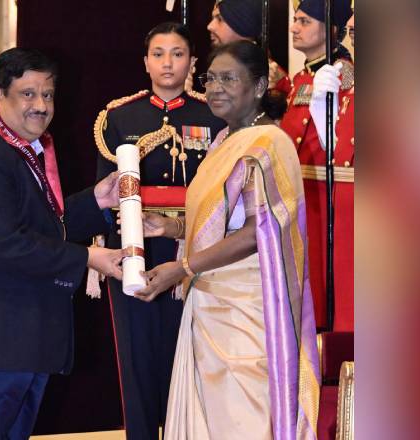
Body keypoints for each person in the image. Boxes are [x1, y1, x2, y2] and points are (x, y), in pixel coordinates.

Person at [0, 47, 124, 440]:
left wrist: (97, 200)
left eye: (47, 94)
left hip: (21, 340)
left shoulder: (19, 150)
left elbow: (40, 222)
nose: (41, 105)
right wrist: (88, 257)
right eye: (28, 94)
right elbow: (4, 242)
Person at [135, 40, 319, 440]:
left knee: (241, 422)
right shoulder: (222, 141)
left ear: (257, 87)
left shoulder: (269, 144)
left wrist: (181, 269)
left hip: (246, 314)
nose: (215, 87)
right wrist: (172, 228)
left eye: (228, 79)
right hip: (209, 305)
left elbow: (257, 233)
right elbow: (224, 223)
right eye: (211, 78)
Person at [88, 22, 227, 440]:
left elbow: (222, 192)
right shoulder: (118, 115)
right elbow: (105, 192)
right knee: (137, 361)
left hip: (196, 247)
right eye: (159, 54)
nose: (168, 63)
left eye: (178, 53)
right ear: (145, 61)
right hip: (134, 248)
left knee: (190, 357)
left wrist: (180, 227)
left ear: (192, 61)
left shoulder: (212, 113)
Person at [280, 0, 354, 333]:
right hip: (306, 193)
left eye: (305, 20)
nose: (295, 27)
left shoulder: (343, 75)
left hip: (336, 198)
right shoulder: (302, 79)